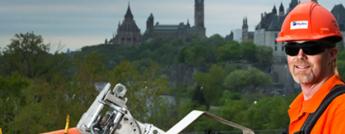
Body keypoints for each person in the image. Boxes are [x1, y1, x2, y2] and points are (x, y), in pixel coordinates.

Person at [276, 1, 345, 134]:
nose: (300, 55)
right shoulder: (299, 108)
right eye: (292, 49)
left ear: (332, 54)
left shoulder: (341, 110)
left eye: (311, 48)